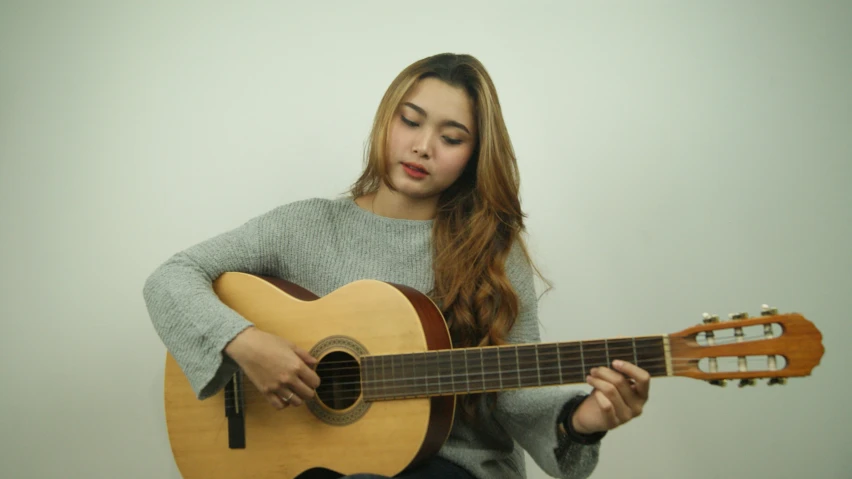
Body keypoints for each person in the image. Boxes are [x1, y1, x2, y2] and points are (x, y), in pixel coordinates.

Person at [143, 52, 651, 479]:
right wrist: (246, 343)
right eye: (410, 121)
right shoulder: (301, 226)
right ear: (387, 119)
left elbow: (516, 399)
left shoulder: (492, 252)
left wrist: (581, 421)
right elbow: (170, 278)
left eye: (451, 138)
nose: (422, 147)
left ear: (475, 155)